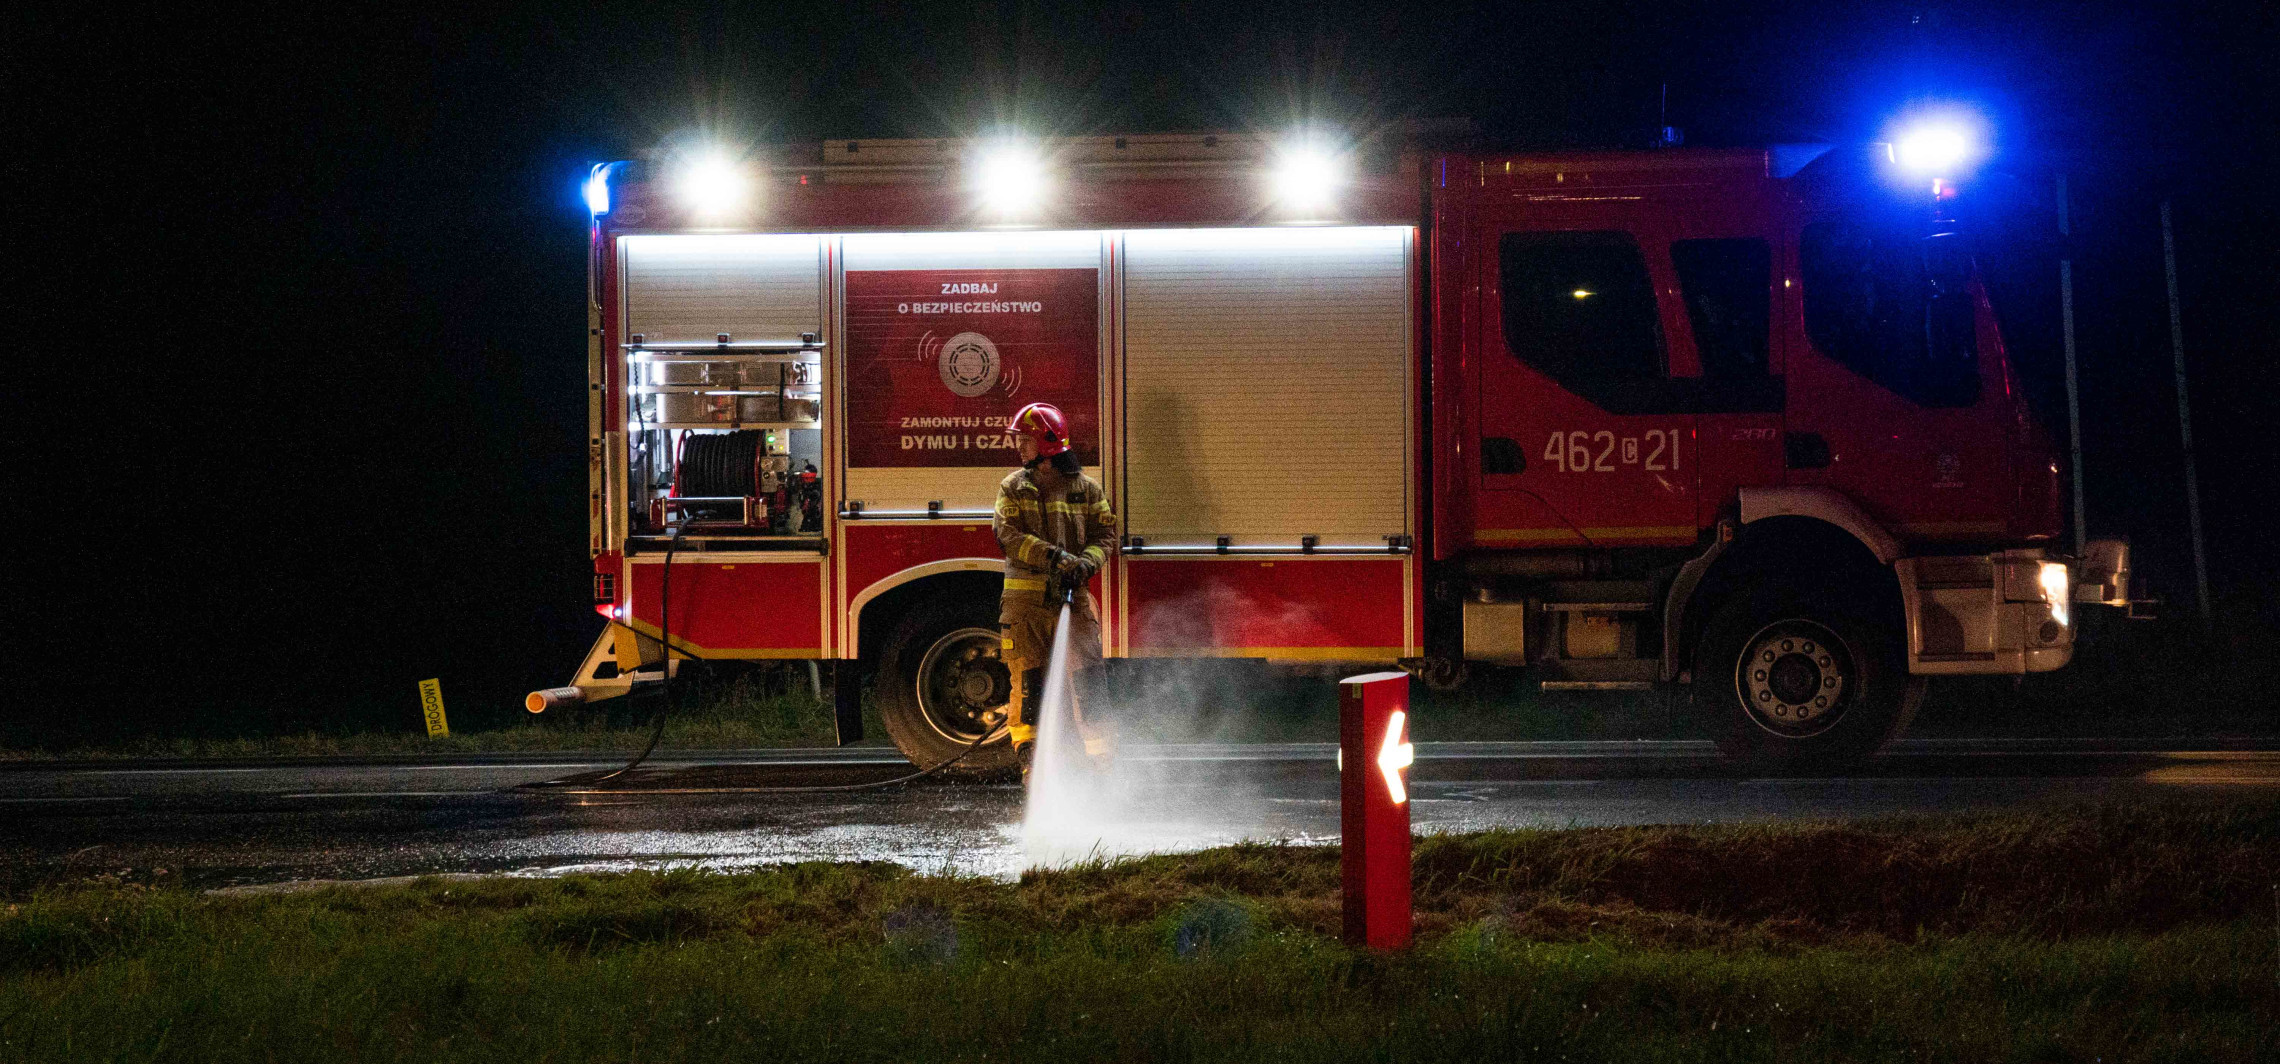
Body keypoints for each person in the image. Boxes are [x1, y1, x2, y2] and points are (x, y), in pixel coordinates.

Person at [993, 402, 1118, 780]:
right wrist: (1057, 558)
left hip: (1073, 601)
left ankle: (1102, 768)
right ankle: (1031, 766)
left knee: (1089, 683)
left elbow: (1106, 535)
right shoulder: (1013, 487)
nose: (1019, 447)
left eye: (1024, 440)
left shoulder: (1086, 490)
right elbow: (1007, 535)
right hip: (1025, 606)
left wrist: (1086, 563)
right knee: (1028, 686)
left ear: (1046, 441)